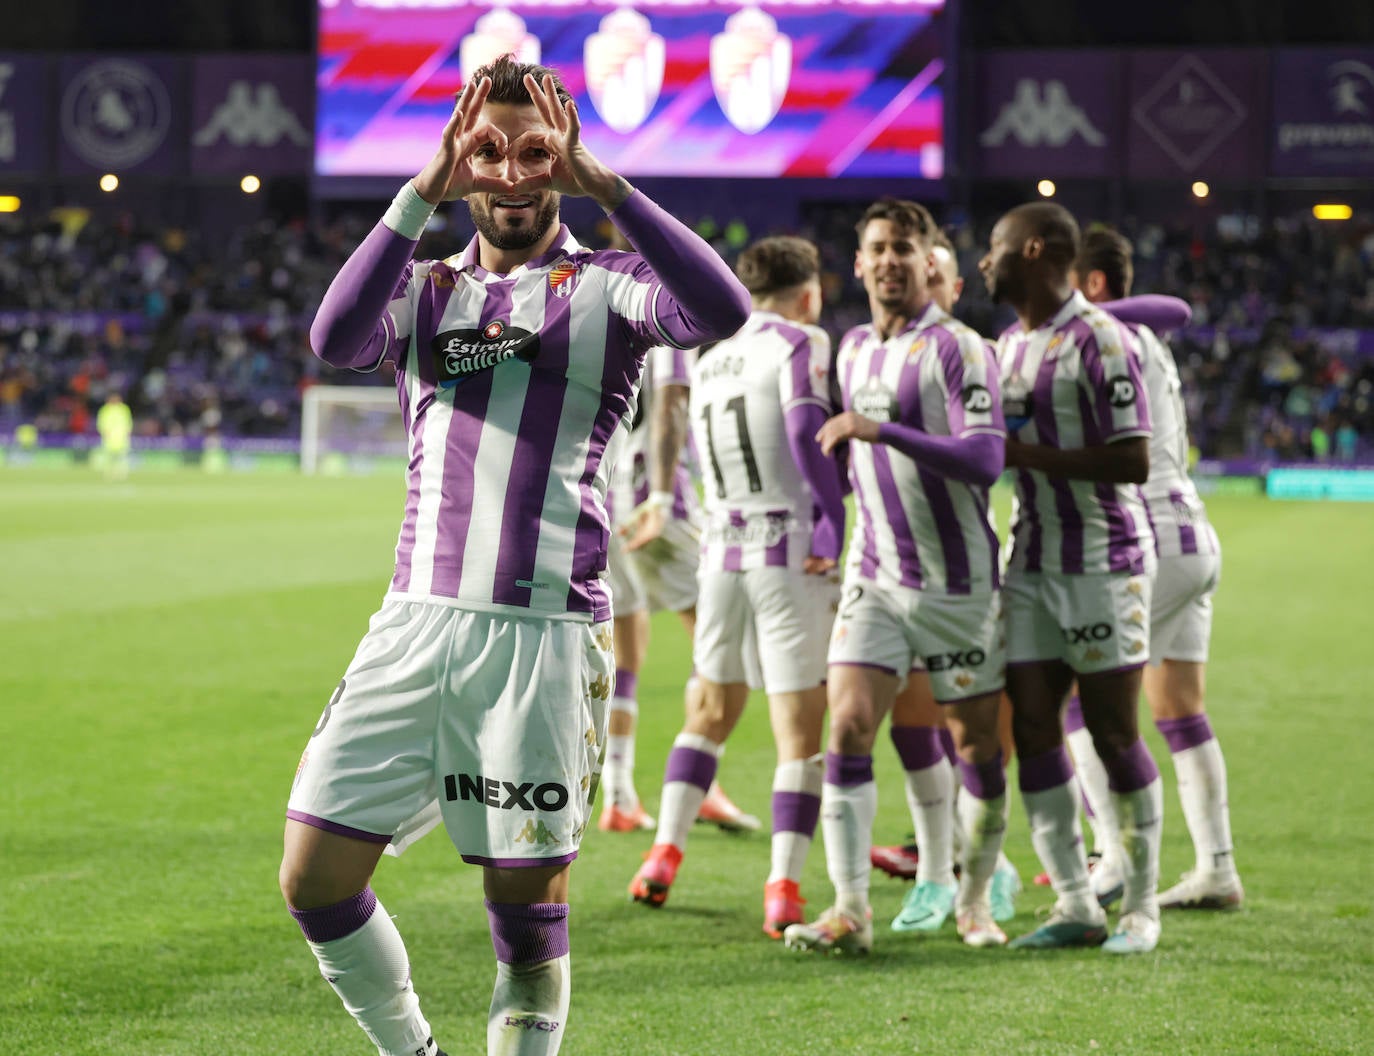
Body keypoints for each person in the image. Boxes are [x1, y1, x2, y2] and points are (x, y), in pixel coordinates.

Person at [278, 58, 749, 1056]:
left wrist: (610, 187)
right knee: (313, 877)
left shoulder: (610, 288)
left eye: (535, 149)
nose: (511, 171)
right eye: (489, 148)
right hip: (415, 624)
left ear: (565, 152)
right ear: (463, 154)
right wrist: (420, 192)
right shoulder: (423, 293)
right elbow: (332, 337)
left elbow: (723, 312)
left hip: (541, 639)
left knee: (523, 922)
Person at [783, 199, 1010, 954]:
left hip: (959, 587)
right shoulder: (850, 350)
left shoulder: (960, 349)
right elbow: (852, 461)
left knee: (978, 749)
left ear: (928, 261)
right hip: (875, 574)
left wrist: (879, 430)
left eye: (904, 249)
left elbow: (985, 459)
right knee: (844, 727)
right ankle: (850, 910)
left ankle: (975, 901)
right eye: (877, 247)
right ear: (859, 262)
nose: (889, 261)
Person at [626, 236, 846, 938]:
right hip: (788, 552)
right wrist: (835, 525)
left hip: (722, 553)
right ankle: (782, 888)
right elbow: (807, 429)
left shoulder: (712, 352)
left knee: (709, 710)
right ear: (808, 291)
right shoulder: (802, 341)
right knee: (798, 734)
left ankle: (663, 853)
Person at [980, 202, 1164, 954]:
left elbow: (1133, 461)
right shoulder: (1006, 345)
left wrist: (1023, 458)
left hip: (1102, 563)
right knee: (1030, 724)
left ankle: (1143, 908)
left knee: (1117, 733)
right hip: (1030, 562)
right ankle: (1077, 902)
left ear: (1031, 251)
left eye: (993, 248)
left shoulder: (1104, 340)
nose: (982, 262)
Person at [1066, 226, 1242, 911]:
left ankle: (1111, 859)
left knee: (1076, 701)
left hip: (1152, 540)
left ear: (1095, 286)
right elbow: (1174, 311)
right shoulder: (1150, 341)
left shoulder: (1104, 340)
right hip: (1193, 536)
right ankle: (1217, 868)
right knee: (1178, 707)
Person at [869, 232, 1022, 928]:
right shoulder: (868, 350)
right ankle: (938, 870)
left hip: (980, 573)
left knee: (985, 738)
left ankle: (991, 865)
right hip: (889, 578)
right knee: (905, 723)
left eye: (938, 268)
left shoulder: (974, 352)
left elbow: (986, 457)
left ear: (952, 286)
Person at [599, 229, 759, 835]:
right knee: (718, 647)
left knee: (628, 654)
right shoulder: (660, 300)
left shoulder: (604, 295)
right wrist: (664, 497)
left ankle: (617, 794)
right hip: (656, 506)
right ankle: (703, 782)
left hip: (610, 504)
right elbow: (668, 404)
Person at [95, 391, 133, 481]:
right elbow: (101, 422)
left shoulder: (124, 409)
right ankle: (108, 474)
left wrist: (128, 431)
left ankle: (121, 474)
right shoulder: (105, 409)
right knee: (108, 457)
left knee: (122, 457)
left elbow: (128, 421)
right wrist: (104, 432)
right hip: (109, 437)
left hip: (121, 437)